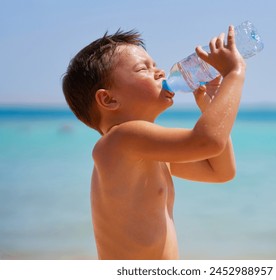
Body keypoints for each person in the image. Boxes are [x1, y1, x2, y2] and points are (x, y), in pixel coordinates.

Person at [62, 25, 246, 259]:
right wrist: (235, 73)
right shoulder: (121, 139)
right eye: (143, 69)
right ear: (108, 99)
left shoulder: (146, 150)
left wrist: (210, 105)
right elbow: (207, 142)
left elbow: (220, 171)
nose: (159, 72)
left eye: (155, 65)